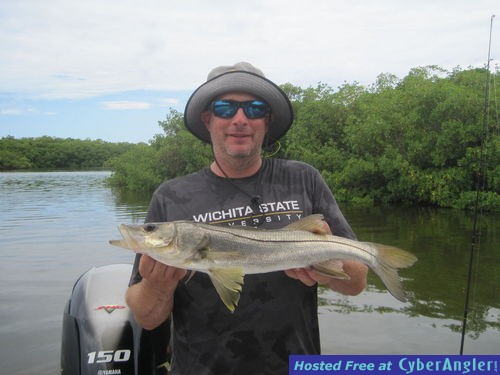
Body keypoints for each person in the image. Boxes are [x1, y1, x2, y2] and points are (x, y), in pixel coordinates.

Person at [126, 62, 368, 374]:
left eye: (254, 108)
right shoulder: (171, 196)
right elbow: (147, 318)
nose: (240, 119)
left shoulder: (303, 178)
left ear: (266, 121)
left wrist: (326, 270)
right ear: (208, 119)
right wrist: (158, 285)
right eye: (225, 108)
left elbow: (357, 282)